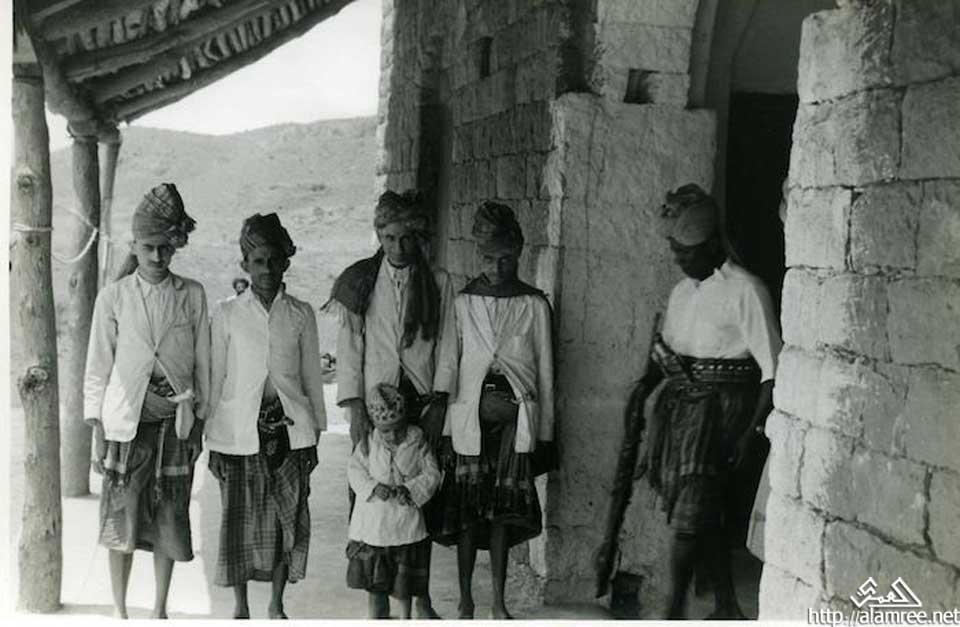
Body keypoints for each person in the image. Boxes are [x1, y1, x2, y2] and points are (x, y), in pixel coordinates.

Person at [634, 184, 781, 619]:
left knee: (690, 515)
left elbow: (772, 369)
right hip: (683, 413)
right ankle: (728, 606)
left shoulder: (747, 290)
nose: (679, 260)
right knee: (705, 514)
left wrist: (751, 433)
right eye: (675, 251)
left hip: (722, 416)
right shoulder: (682, 293)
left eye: (686, 252)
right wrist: (642, 390)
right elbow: (667, 355)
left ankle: (673, 610)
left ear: (713, 244)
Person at [325, 189, 457, 618]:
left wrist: (439, 402)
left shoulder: (438, 281)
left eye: (407, 238)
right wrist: (355, 408)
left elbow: (448, 344)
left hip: (421, 397)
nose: (399, 247)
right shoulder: (361, 281)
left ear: (418, 237)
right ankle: (376, 597)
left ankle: (420, 598)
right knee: (373, 492)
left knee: (421, 495)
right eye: (390, 238)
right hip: (375, 402)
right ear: (379, 236)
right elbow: (350, 347)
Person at [84, 183, 209, 619]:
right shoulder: (114, 297)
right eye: (149, 247)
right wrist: (98, 432)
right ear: (134, 246)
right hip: (126, 424)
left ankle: (158, 609)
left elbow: (204, 364)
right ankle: (120, 611)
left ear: (176, 246)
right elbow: (97, 367)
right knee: (122, 516)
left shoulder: (191, 294)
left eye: (165, 248)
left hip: (176, 423)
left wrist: (198, 425)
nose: (157, 257)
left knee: (169, 516)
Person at [437, 201, 556, 619]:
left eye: (505, 258)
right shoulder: (464, 302)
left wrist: (545, 436)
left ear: (519, 252)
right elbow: (449, 365)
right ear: (478, 254)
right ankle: (466, 600)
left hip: (515, 423)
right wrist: (447, 430)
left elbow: (545, 373)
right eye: (488, 258)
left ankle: (499, 603)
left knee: (504, 513)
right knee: (469, 515)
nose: (497, 267)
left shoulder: (534, 305)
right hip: (469, 420)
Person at [205, 213, 326, 619]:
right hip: (238, 431)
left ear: (286, 262)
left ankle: (276, 605)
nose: (267, 269)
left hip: (290, 430)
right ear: (245, 265)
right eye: (258, 261)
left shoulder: (300, 314)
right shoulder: (227, 314)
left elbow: (311, 378)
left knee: (283, 518)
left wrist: (315, 434)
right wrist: (213, 440)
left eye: (274, 260)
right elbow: (216, 378)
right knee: (238, 520)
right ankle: (241, 608)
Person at [346, 383, 442, 619]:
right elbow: (355, 470)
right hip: (375, 526)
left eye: (397, 429)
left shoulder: (417, 441)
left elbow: (432, 473)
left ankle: (405, 617)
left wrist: (410, 490)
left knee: (403, 583)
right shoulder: (368, 443)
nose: (392, 436)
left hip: (404, 523)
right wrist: (372, 487)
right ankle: (377, 617)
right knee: (376, 582)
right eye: (386, 431)